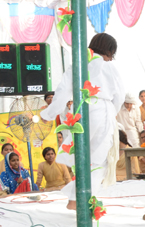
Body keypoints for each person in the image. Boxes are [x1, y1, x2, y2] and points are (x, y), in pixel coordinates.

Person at [41, 33, 125, 210]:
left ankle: (74, 199)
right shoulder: (110, 67)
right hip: (103, 111)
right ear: (109, 51)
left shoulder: (79, 63)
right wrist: (113, 113)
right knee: (97, 161)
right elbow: (119, 96)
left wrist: (48, 114)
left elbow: (63, 92)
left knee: (80, 156)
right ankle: (76, 200)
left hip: (81, 111)